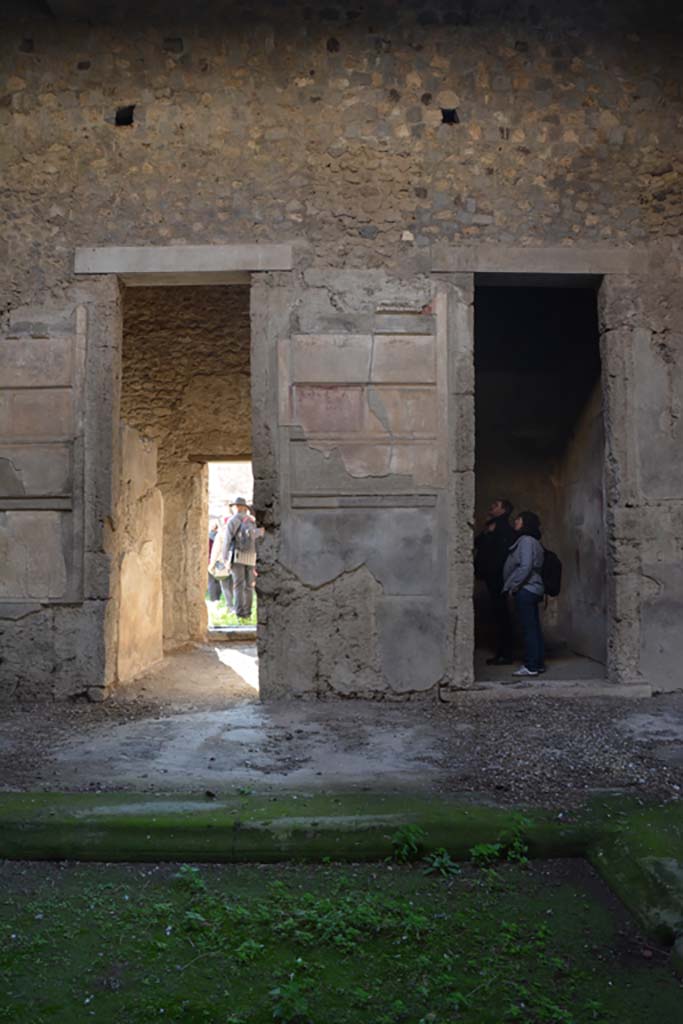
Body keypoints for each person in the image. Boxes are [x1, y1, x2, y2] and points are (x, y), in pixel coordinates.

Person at [502, 510, 545, 678]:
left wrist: (513, 586)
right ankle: (538, 664)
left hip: (526, 590)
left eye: (518, 520)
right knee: (533, 628)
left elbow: (525, 566)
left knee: (529, 629)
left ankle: (531, 665)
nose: (515, 522)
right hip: (532, 589)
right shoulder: (532, 541)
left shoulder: (526, 541)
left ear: (525, 523)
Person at [474, 498, 516, 665]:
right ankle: (503, 652)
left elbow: (499, 553)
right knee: (499, 615)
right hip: (494, 577)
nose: (492, 505)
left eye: (496, 505)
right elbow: (477, 543)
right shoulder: (493, 526)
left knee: (501, 615)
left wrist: (489, 533)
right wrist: (486, 531)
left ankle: (505, 654)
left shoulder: (502, 527)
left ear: (503, 510)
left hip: (497, 577)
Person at [225, 496, 259, 620]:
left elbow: (227, 540)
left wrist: (225, 558)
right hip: (251, 557)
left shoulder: (232, 520)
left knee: (238, 585)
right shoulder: (252, 520)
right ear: (245, 508)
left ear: (237, 507)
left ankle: (239, 612)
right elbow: (258, 537)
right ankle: (248, 613)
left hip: (238, 556)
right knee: (249, 586)